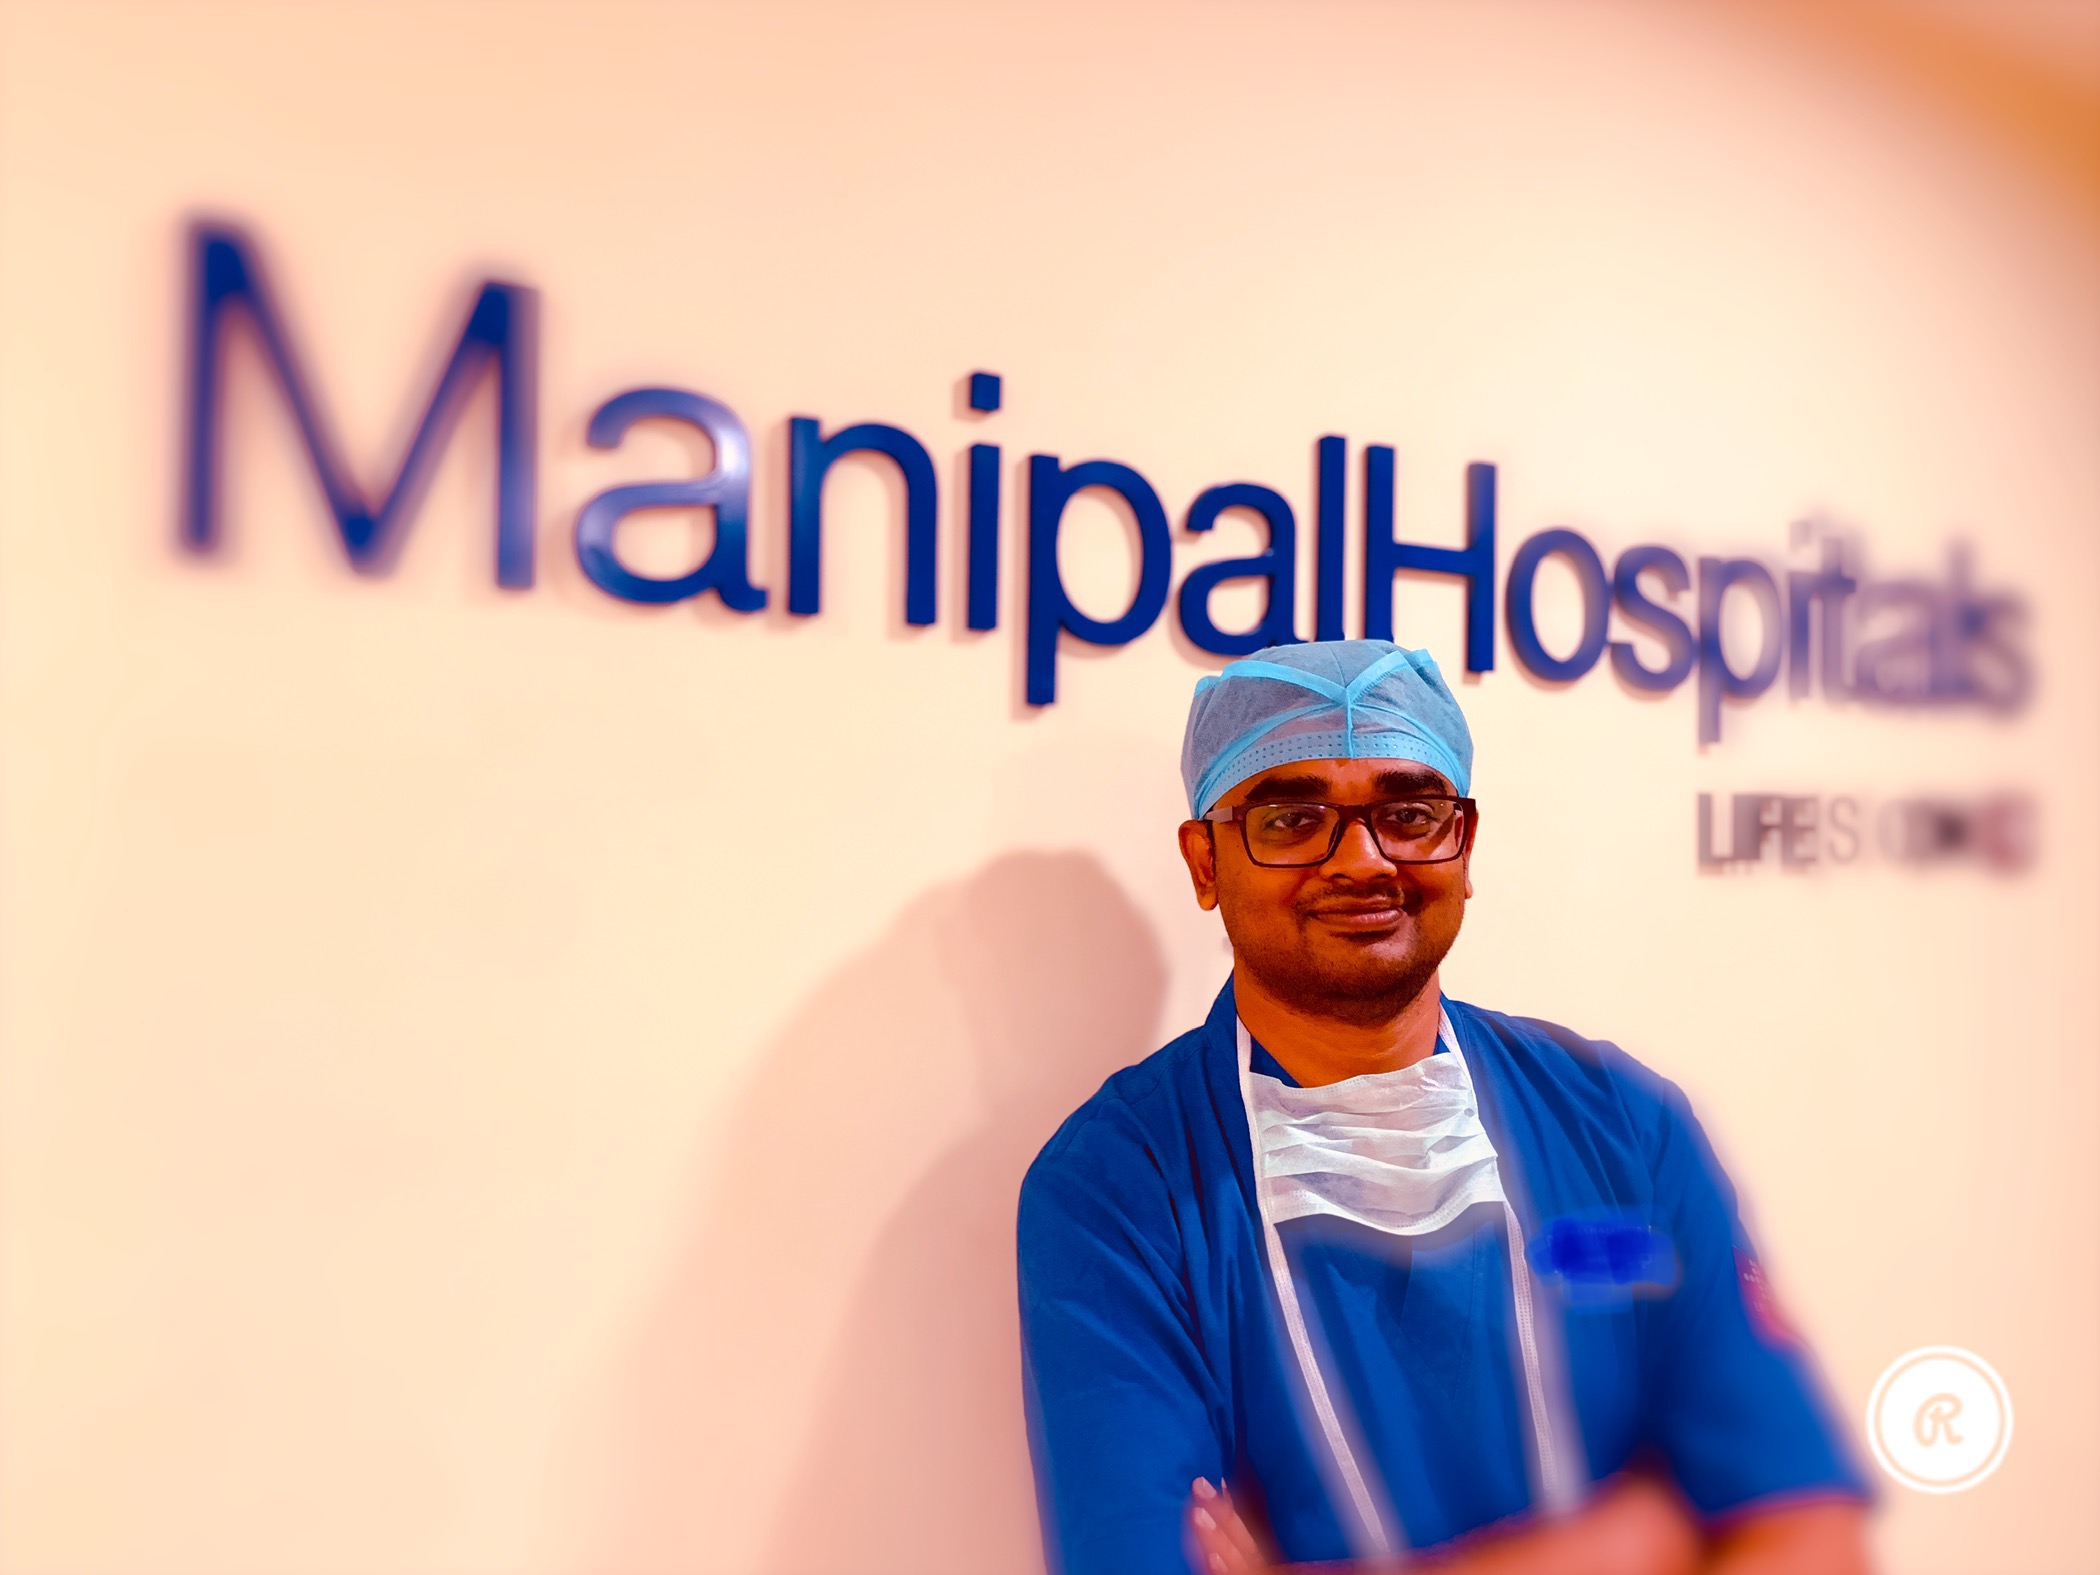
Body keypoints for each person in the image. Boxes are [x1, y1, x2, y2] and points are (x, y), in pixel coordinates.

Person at [1016, 640, 1872, 1575]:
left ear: (1464, 846)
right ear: (1205, 861)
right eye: (1292, 818)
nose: (1362, 859)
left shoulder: (1626, 1125)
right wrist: (1646, 1535)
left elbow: (1808, 1533)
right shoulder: (1115, 1193)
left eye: (1410, 813)